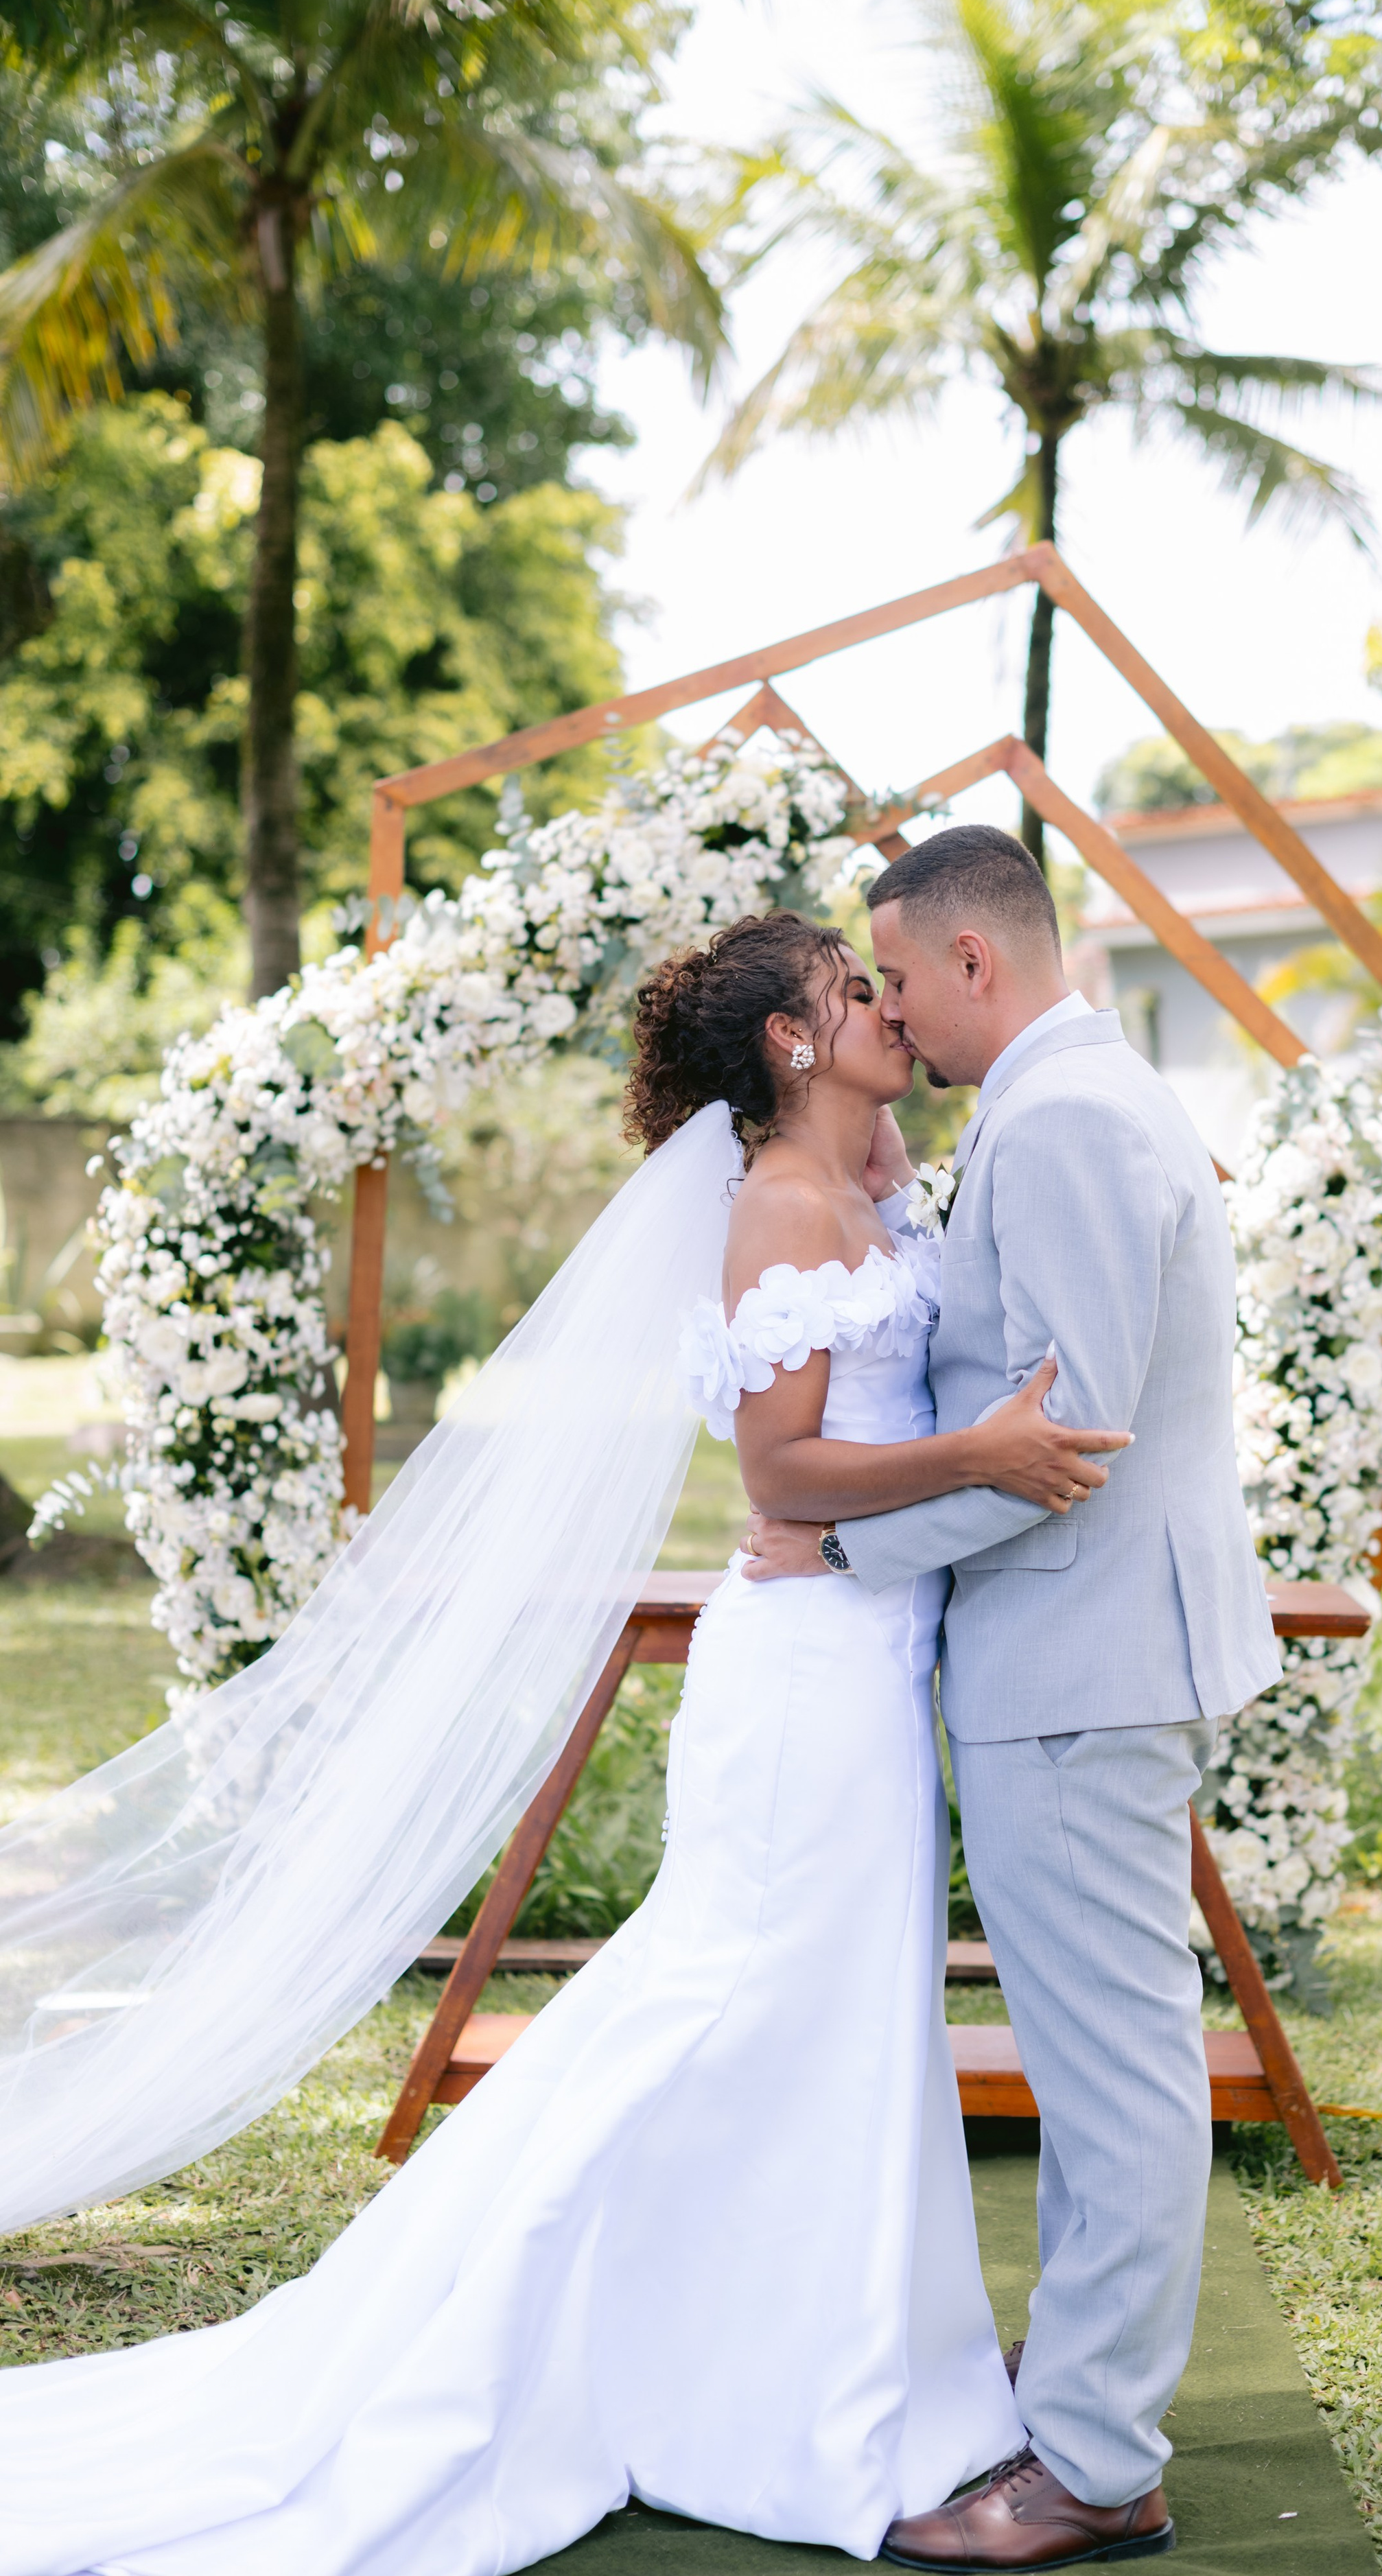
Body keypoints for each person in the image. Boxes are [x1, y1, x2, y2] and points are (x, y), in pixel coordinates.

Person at [0, 904, 1132, 2576]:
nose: (887, 1008)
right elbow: (781, 1479)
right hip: (802, 1677)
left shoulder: (871, 1170)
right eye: (849, 992)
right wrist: (979, 1452)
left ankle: (828, 2362)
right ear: (786, 1043)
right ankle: (546, 2329)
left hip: (872, 1664)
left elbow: (979, 1093)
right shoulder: (777, 1204)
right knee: (715, 2005)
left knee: (830, 2027)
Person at [747, 823, 1282, 2572]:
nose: (889, 1008)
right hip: (1095, 1644)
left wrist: (843, 1559)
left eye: (894, 976)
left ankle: (1096, 2464)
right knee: (1092, 2050)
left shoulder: (1053, 1122)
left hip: (1074, 1645)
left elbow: (1067, 1440)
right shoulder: (1083, 1096)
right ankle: (1079, 2398)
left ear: (974, 961)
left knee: (1113, 2068)